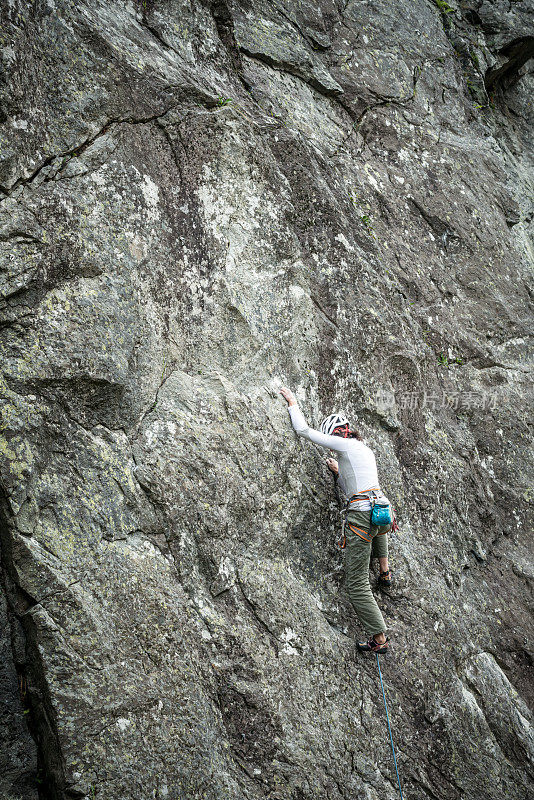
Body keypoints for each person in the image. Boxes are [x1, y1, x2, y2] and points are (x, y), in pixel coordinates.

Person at [279, 386, 392, 654]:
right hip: (382, 511)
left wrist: (293, 403)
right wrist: (338, 471)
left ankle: (379, 640)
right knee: (378, 531)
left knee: (356, 584)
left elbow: (304, 431)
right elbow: (353, 483)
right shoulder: (363, 449)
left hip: (363, 516)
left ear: (335, 433)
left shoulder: (344, 444)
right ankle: (385, 572)